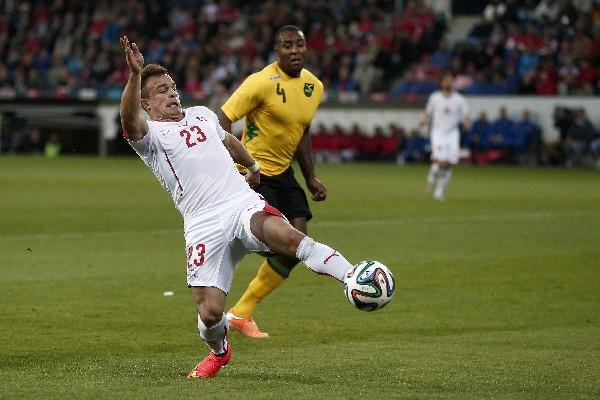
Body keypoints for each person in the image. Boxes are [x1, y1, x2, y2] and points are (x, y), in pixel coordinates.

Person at [118, 36, 355, 378]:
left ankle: (351, 276)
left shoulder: (202, 115)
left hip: (240, 204)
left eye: (172, 87)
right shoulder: (150, 137)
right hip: (201, 224)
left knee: (289, 238)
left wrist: (254, 168)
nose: (171, 94)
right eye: (161, 91)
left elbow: (230, 141)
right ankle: (220, 351)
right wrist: (135, 74)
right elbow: (127, 121)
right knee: (210, 313)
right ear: (146, 103)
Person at [217, 25, 326, 338]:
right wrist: (230, 161)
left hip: (284, 173)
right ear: (276, 51)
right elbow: (223, 118)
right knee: (279, 244)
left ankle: (240, 313)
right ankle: (230, 238)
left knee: (298, 244)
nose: (294, 51)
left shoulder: (313, 87)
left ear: (306, 49)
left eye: (299, 45)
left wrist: (311, 177)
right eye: (287, 45)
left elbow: (302, 130)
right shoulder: (260, 82)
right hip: (254, 173)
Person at [420, 70, 471, 201]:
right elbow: (427, 112)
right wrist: (424, 121)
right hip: (438, 133)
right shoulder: (435, 97)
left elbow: (466, 115)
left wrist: (467, 123)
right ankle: (431, 179)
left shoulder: (459, 99)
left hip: (453, 133)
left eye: (450, 80)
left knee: (449, 164)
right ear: (441, 83)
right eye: (445, 80)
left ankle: (439, 191)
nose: (448, 82)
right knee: (441, 161)